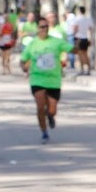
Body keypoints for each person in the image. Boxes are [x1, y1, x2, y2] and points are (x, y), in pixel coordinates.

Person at [20, 14, 71, 142]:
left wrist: (81, 47)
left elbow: (70, 48)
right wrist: (24, 67)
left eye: (46, 27)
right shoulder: (32, 43)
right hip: (37, 79)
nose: (44, 29)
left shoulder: (56, 41)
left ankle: (50, 116)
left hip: (54, 80)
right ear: (37, 28)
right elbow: (24, 59)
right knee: (40, 107)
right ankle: (44, 132)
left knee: (52, 109)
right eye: (42, 27)